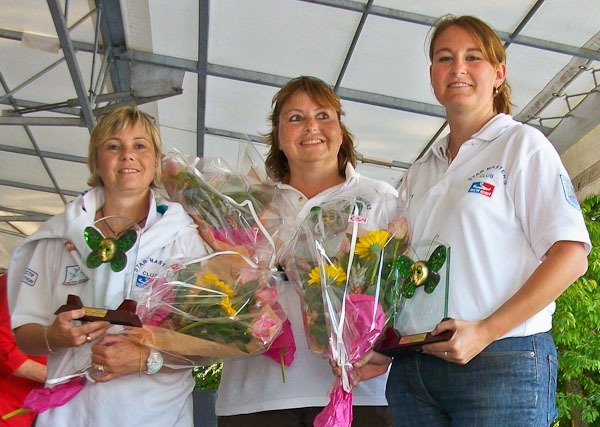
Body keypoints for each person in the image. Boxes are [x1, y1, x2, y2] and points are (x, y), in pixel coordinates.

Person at [348, 15, 591, 427]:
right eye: (445, 58)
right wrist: (383, 343)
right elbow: (406, 274)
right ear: (432, 76)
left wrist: (486, 330)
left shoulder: (521, 146)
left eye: (472, 57)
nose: (457, 67)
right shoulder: (421, 170)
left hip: (501, 361)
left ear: (498, 73)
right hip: (416, 368)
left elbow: (571, 255)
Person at [7, 106, 209, 427]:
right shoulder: (58, 234)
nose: (127, 155)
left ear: (155, 161)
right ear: (96, 161)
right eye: (114, 146)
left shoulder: (185, 239)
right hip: (69, 416)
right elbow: (26, 336)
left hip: (155, 415)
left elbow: (208, 342)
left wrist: (147, 358)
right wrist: (54, 335)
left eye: (140, 146)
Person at [215, 76, 397, 426]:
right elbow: (215, 284)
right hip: (253, 400)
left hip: (359, 397)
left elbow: (402, 295)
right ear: (278, 137)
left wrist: (385, 350)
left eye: (324, 116)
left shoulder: (379, 199)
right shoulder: (249, 203)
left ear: (341, 130)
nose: (312, 127)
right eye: (295, 118)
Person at [0, 273, 47, 427]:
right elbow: (4, 349)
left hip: (27, 405)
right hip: (7, 401)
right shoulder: (27, 280)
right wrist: (58, 376)